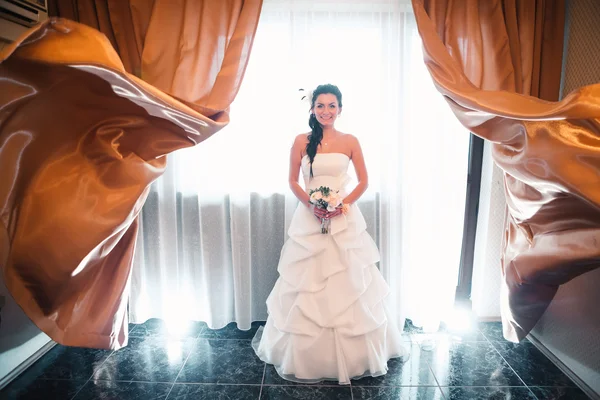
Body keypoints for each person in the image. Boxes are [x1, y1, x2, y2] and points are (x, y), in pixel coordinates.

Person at [252, 84, 408, 385]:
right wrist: (312, 204)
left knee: (350, 279)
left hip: (343, 218)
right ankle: (306, 355)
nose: (326, 111)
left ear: (340, 108)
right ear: (312, 109)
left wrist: (342, 205)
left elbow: (363, 181)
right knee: (307, 281)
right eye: (320, 105)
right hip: (310, 217)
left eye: (332, 105)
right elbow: (292, 181)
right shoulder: (301, 140)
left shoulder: (350, 141)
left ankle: (358, 354)